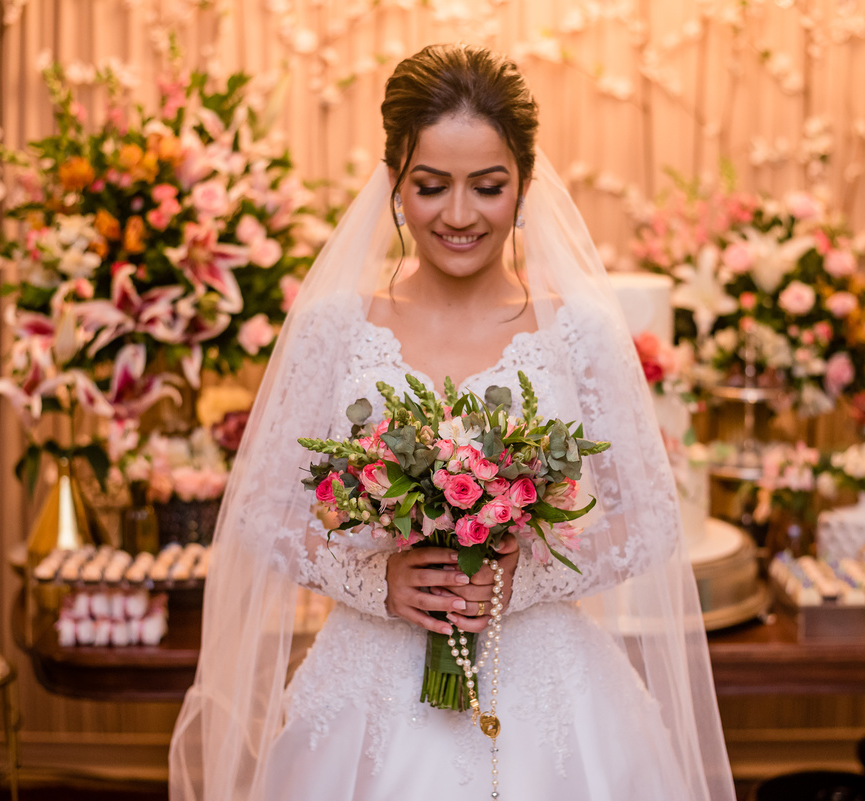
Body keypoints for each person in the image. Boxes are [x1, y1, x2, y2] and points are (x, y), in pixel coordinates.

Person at [169, 44, 734, 801]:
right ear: (394, 185)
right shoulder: (334, 327)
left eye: (488, 186)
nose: (460, 215)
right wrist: (378, 580)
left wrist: (519, 577)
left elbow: (653, 519)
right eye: (431, 186)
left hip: (546, 683)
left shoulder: (581, 332)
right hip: (367, 676)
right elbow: (261, 514)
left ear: (525, 185)